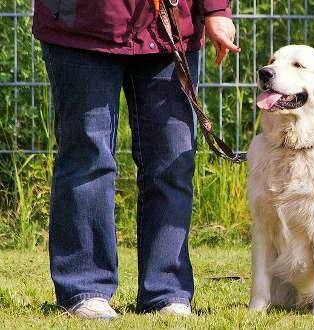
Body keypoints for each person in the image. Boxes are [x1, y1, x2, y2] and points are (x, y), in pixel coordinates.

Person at [33, 0, 240, 319]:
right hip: (79, 27)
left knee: (172, 164)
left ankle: (166, 292)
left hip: (169, 26)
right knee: (88, 159)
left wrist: (215, 10)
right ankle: (85, 288)